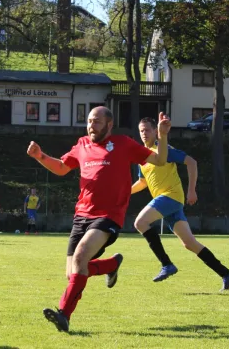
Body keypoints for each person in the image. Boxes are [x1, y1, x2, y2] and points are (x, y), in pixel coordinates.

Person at [27, 107, 171, 332]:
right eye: (89, 121)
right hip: (81, 215)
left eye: (96, 122)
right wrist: (40, 156)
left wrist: (162, 135)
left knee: (81, 256)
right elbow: (62, 168)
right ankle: (112, 265)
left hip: (108, 216)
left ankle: (63, 314)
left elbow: (160, 160)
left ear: (109, 125)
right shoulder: (82, 144)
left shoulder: (124, 143)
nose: (91, 126)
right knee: (73, 272)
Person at [131, 117, 229, 290]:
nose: (144, 133)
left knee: (140, 222)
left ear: (155, 131)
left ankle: (166, 264)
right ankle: (227, 274)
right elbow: (142, 182)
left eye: (147, 130)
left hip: (171, 197)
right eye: (141, 130)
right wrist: (125, 192)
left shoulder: (163, 149)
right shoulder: (142, 156)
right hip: (167, 202)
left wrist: (191, 190)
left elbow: (191, 162)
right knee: (190, 243)